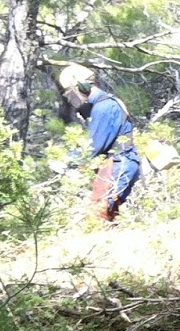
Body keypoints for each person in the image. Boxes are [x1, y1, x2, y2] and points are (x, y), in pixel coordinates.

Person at [58, 63, 141, 221]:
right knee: (107, 217)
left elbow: (94, 147)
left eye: (70, 92)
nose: (70, 98)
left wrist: (66, 160)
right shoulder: (105, 104)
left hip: (118, 165)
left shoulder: (104, 107)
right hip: (119, 164)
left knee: (98, 217)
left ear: (81, 86)